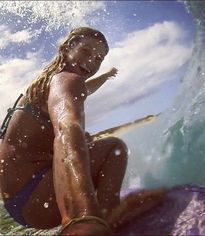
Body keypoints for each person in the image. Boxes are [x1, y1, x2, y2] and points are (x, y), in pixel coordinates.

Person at [0, 27, 128, 235]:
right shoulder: (67, 80)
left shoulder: (46, 82)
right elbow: (66, 128)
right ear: (68, 47)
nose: (91, 62)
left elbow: (85, 90)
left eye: (98, 59)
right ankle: (109, 218)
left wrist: (105, 76)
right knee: (114, 148)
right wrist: (82, 213)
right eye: (86, 51)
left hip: (16, 203)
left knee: (86, 143)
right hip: (37, 202)